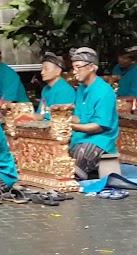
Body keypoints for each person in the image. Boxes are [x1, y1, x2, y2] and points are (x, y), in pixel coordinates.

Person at [69, 47, 118, 180]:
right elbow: (79, 118)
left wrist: (70, 126)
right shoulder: (80, 89)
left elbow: (99, 126)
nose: (74, 72)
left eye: (78, 67)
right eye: (74, 67)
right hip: (80, 137)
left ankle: (75, 177)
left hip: (100, 139)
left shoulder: (104, 91)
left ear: (91, 67)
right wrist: (60, 119)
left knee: (81, 153)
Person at [34, 52, 76, 120]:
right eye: (42, 69)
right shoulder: (45, 89)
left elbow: (60, 118)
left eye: (46, 69)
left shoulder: (65, 90)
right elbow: (41, 112)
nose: (42, 72)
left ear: (58, 71)